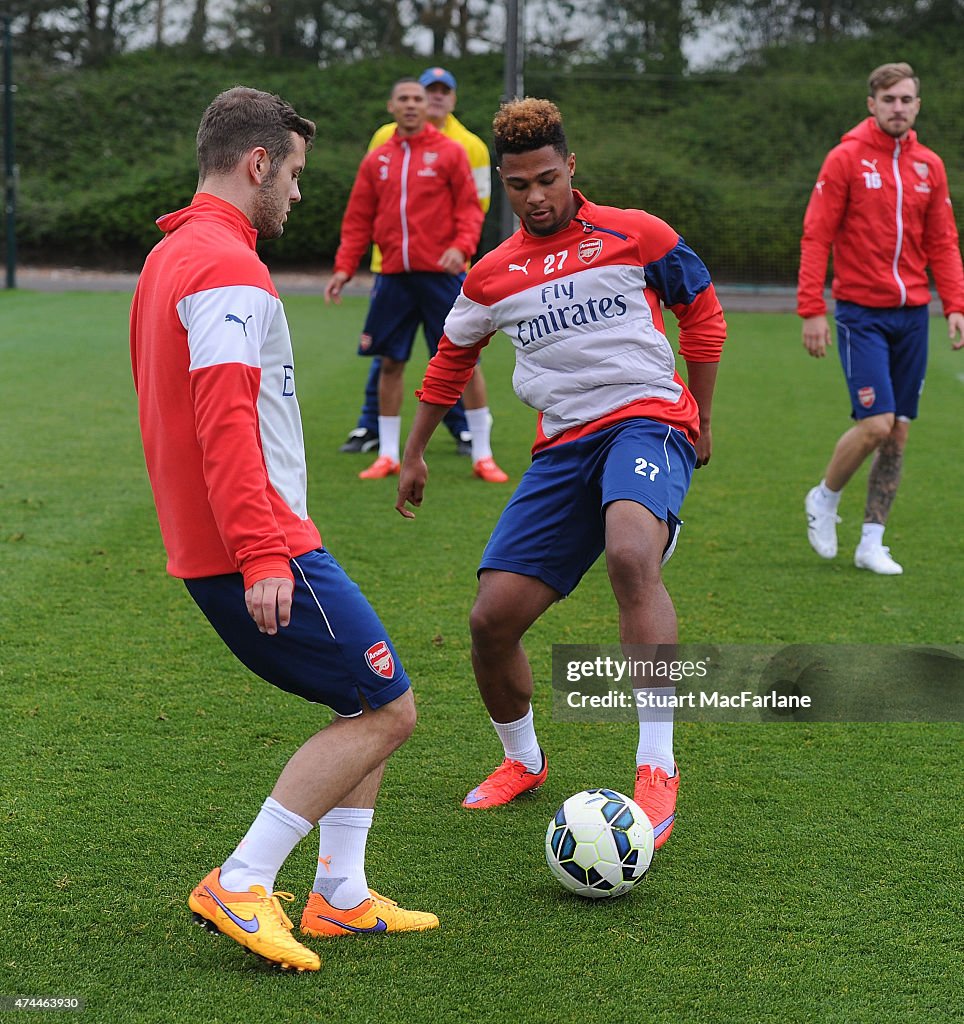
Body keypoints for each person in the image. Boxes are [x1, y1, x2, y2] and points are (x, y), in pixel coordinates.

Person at [130, 86, 438, 973]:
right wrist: (264, 549)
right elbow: (223, 416)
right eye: (296, 174)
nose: (300, 193)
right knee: (387, 710)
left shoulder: (176, 253)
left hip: (237, 537)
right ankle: (241, 878)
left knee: (362, 696)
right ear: (257, 164)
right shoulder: (225, 266)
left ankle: (339, 895)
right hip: (254, 544)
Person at [395, 99, 726, 850]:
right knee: (490, 621)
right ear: (504, 186)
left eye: (548, 178)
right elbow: (451, 360)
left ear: (571, 167)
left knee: (631, 554)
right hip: (563, 449)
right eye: (519, 185)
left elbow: (702, 314)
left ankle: (657, 766)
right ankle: (523, 761)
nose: (536, 196)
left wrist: (698, 416)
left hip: (646, 421)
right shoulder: (490, 276)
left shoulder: (638, 234)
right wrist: (415, 452)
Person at [798, 61, 964, 575]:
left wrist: (955, 304)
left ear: (917, 105)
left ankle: (872, 541)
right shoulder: (846, 158)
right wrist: (811, 309)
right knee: (875, 423)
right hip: (859, 313)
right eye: (889, 99)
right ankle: (824, 498)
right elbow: (817, 235)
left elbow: (942, 241)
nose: (898, 108)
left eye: (906, 100)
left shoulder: (929, 167)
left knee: (898, 433)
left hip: (914, 314)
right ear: (872, 104)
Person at [326, 77, 508, 484]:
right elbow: (358, 217)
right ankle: (388, 454)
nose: (411, 105)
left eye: (417, 99)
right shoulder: (378, 159)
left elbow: (470, 210)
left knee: (466, 360)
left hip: (441, 276)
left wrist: (461, 247)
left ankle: (483, 453)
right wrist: (343, 266)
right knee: (390, 362)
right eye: (403, 99)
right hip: (393, 276)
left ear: (428, 107)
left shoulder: (451, 153)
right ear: (391, 106)